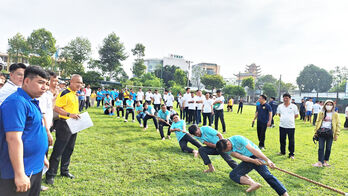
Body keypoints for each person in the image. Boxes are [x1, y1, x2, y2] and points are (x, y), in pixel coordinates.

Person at [0, 66, 49, 195]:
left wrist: (42, 156)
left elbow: (34, 132)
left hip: (34, 166)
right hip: (19, 170)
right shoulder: (16, 102)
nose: (45, 87)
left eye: (46, 84)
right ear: (26, 81)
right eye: (40, 83)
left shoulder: (31, 101)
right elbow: (13, 139)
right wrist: (20, 173)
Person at [216, 136, 288, 195]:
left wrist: (267, 160)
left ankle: (284, 194)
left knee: (267, 176)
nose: (227, 152)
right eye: (225, 151)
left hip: (256, 155)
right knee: (233, 175)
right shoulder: (227, 150)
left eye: (226, 150)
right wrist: (253, 161)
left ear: (228, 143)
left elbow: (252, 150)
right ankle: (253, 184)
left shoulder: (238, 139)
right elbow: (241, 157)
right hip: (248, 160)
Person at [46, 74, 83, 185]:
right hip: (64, 124)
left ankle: (64, 171)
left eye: (81, 83)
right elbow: (56, 107)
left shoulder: (75, 94)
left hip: (74, 124)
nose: (79, 85)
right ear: (71, 82)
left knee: (69, 149)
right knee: (59, 150)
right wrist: (69, 114)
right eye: (77, 82)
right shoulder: (64, 93)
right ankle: (50, 175)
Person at [312, 100, 340, 167]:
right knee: (321, 147)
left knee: (328, 148)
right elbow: (318, 122)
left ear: (333, 106)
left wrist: (336, 134)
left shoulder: (335, 114)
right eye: (327, 104)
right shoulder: (321, 113)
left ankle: (325, 161)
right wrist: (316, 132)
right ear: (325, 105)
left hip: (330, 133)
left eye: (331, 104)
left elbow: (338, 124)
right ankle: (320, 162)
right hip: (321, 132)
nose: (329, 106)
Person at [276, 93, 299, 159]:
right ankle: (282, 151)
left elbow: (296, 115)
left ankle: (291, 154)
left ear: (290, 99)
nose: (285, 99)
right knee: (282, 139)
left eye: (287, 98)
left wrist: (290, 119)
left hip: (291, 126)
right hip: (282, 125)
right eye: (284, 98)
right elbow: (279, 114)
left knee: (291, 141)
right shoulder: (280, 106)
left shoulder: (294, 106)